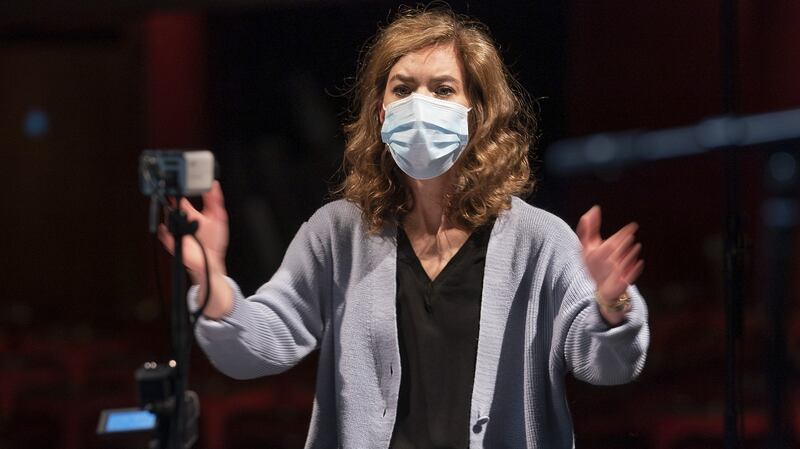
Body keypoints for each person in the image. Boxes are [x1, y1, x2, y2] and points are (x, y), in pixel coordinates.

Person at [158, 6, 649, 449]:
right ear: (381, 112)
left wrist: (611, 303)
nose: (420, 103)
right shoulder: (338, 233)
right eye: (402, 88)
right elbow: (256, 350)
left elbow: (608, 366)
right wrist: (212, 281)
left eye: (442, 89)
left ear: (477, 114)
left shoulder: (539, 240)